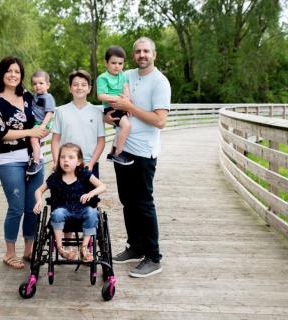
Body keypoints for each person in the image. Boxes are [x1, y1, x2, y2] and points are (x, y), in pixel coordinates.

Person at [105, 37, 171, 278]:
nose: (142, 55)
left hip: (144, 151)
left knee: (143, 202)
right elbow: (113, 106)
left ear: (154, 54)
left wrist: (129, 108)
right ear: (133, 55)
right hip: (122, 149)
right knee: (127, 201)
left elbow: (160, 121)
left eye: (146, 51)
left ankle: (153, 257)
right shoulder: (126, 75)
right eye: (138, 51)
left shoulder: (160, 82)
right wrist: (110, 116)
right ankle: (135, 247)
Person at [0, 56, 49, 270]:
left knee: (32, 207)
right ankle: (9, 253)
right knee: (16, 207)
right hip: (9, 159)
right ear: (2, 73)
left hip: (34, 159)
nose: (13, 75)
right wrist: (31, 131)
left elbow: (40, 120)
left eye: (17, 72)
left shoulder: (28, 96)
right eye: (9, 71)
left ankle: (28, 249)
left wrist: (42, 133)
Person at [33, 143, 106, 262]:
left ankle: (84, 248)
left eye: (71, 157)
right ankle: (61, 248)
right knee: (57, 213)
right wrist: (39, 201)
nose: (66, 160)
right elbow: (39, 190)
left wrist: (90, 194)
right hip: (63, 212)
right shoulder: (55, 177)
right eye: (62, 157)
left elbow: (102, 186)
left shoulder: (84, 174)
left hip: (81, 211)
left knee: (92, 213)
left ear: (78, 161)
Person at [51, 70, 105, 179]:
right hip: (66, 164)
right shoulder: (61, 111)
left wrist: (91, 163)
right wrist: (57, 162)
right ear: (70, 88)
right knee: (64, 196)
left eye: (83, 85)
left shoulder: (97, 112)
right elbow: (55, 140)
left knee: (90, 195)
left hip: (89, 164)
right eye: (75, 85)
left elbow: (101, 141)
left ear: (89, 89)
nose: (79, 87)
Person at [96, 45, 133, 166]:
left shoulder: (122, 75)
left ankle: (111, 153)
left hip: (121, 106)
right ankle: (118, 154)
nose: (117, 66)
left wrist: (126, 100)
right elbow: (100, 96)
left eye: (120, 63)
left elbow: (125, 88)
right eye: (113, 63)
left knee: (120, 128)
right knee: (126, 126)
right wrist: (117, 99)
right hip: (111, 108)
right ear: (106, 63)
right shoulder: (102, 78)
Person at [26, 70, 56, 175]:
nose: (38, 86)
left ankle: (36, 162)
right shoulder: (35, 95)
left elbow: (50, 112)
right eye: (34, 84)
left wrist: (43, 125)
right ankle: (36, 152)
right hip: (37, 123)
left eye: (41, 83)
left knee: (33, 138)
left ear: (48, 85)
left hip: (43, 123)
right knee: (34, 139)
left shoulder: (48, 97)